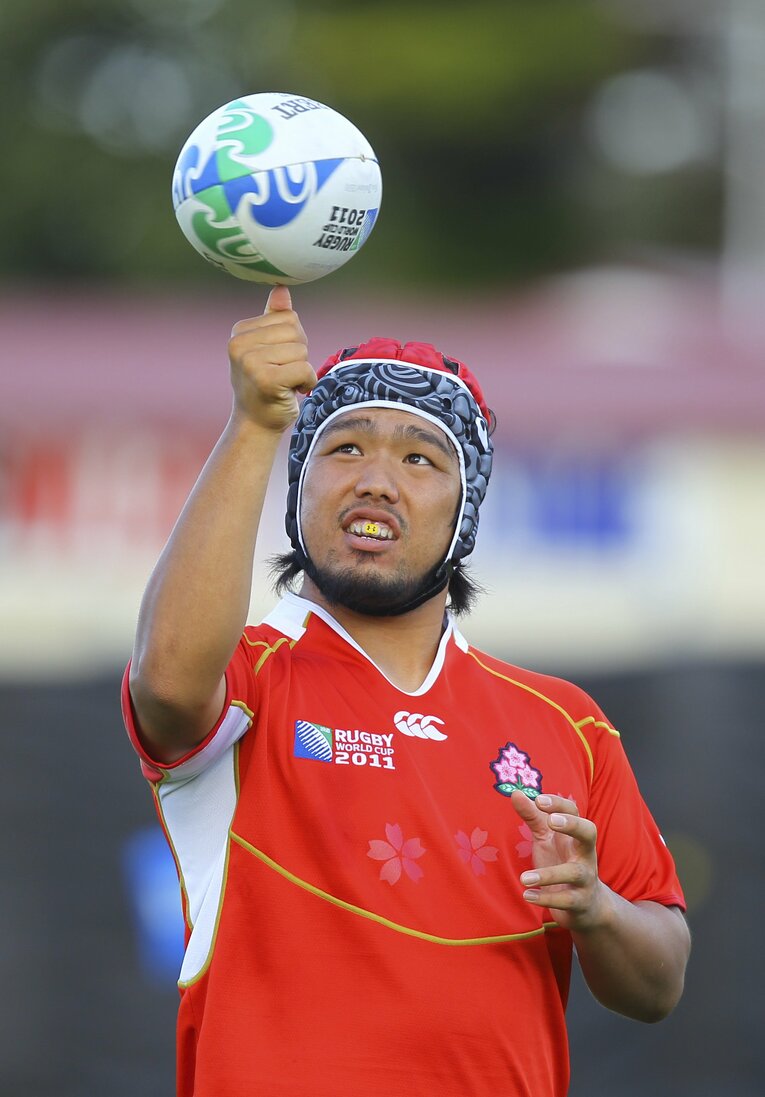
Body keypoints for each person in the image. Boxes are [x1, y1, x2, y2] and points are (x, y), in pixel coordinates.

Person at [123, 286, 690, 1097]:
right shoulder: (247, 678)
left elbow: (658, 982)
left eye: (419, 458)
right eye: (344, 448)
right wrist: (253, 423)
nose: (377, 481)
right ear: (298, 487)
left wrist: (595, 908)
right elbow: (168, 678)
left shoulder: (566, 722)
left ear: (465, 512)